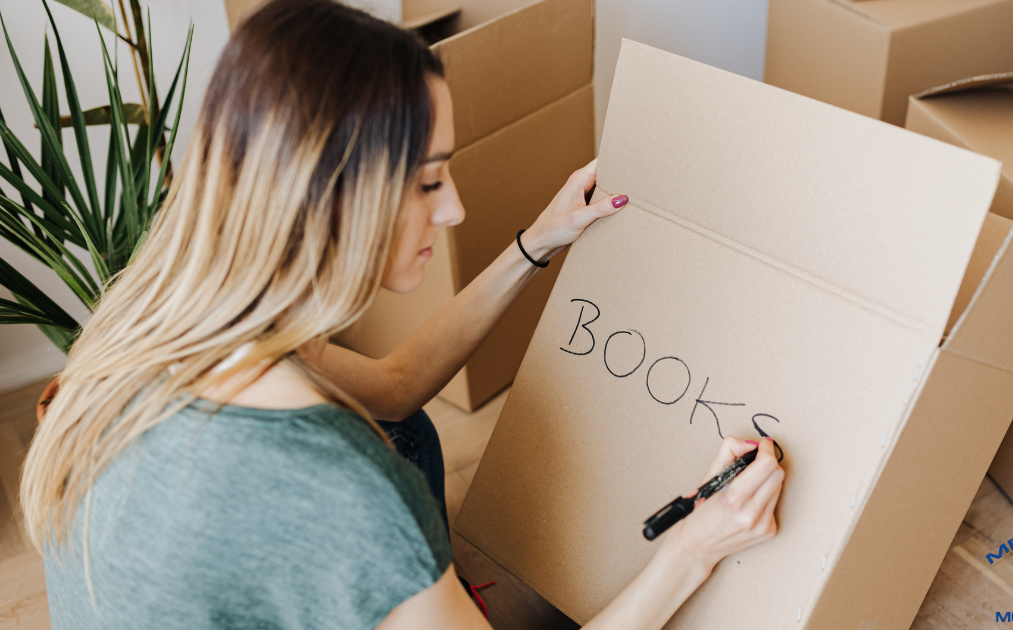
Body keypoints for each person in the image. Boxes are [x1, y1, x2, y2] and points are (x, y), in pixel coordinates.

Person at [20, 1, 785, 628]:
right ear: (333, 196)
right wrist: (695, 547)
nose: (453, 210)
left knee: (406, 428)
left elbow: (393, 386)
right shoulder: (347, 491)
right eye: (427, 181)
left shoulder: (160, 321)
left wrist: (536, 243)